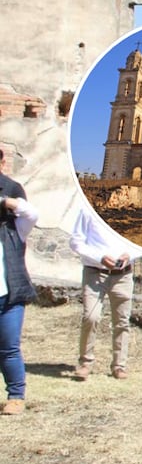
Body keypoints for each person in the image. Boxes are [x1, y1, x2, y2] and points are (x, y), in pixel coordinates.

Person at [70, 207, 142, 381]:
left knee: (122, 321)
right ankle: (85, 363)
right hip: (95, 272)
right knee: (91, 316)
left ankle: (119, 365)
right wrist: (100, 257)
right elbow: (76, 242)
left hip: (123, 275)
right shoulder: (87, 211)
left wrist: (130, 254)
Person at [0, 149, 39, 416]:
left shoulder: (14, 229)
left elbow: (30, 214)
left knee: (9, 347)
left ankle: (16, 396)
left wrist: (7, 202)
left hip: (8, 295)